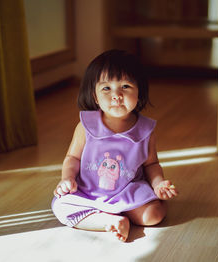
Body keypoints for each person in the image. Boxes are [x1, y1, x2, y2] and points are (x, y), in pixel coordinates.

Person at [52, 49, 178, 242]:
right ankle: (110, 221)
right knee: (61, 207)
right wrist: (67, 179)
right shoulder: (86, 125)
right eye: (106, 88)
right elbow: (73, 158)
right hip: (87, 191)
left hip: (128, 190)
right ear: (94, 96)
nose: (116, 95)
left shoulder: (145, 130)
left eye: (125, 86)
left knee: (154, 215)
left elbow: (151, 165)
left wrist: (158, 183)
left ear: (139, 92)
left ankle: (116, 213)